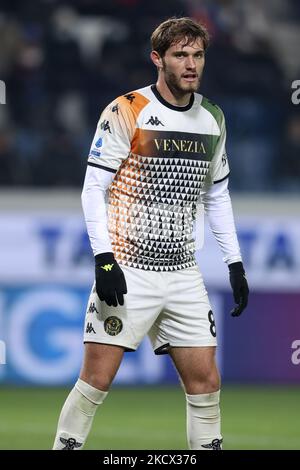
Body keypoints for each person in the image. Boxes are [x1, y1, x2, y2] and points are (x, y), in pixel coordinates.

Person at [53, 17, 249, 451]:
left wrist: (234, 263)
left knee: (206, 384)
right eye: (181, 55)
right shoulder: (126, 109)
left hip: (183, 273)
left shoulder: (213, 117)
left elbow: (217, 196)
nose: (191, 64)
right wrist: (103, 258)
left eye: (198, 55)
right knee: (96, 381)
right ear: (157, 59)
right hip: (127, 269)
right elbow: (93, 188)